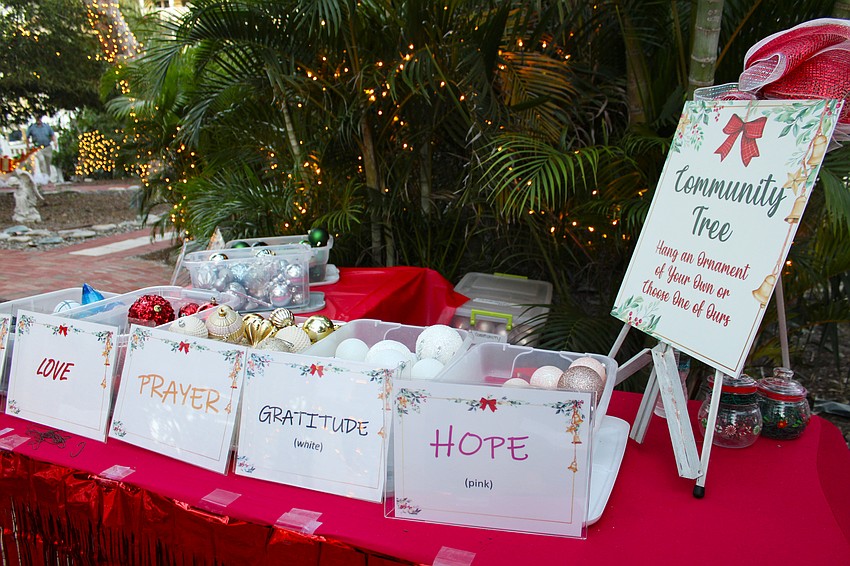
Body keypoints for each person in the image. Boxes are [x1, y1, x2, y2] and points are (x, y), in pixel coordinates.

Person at [26, 115, 56, 183]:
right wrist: (27, 147)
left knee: (47, 163)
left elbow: (52, 135)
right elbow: (27, 137)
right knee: (41, 160)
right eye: (37, 118)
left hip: (47, 147)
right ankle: (44, 176)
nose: (38, 119)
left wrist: (55, 142)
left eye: (39, 118)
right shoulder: (32, 127)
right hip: (38, 148)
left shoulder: (46, 126)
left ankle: (48, 177)